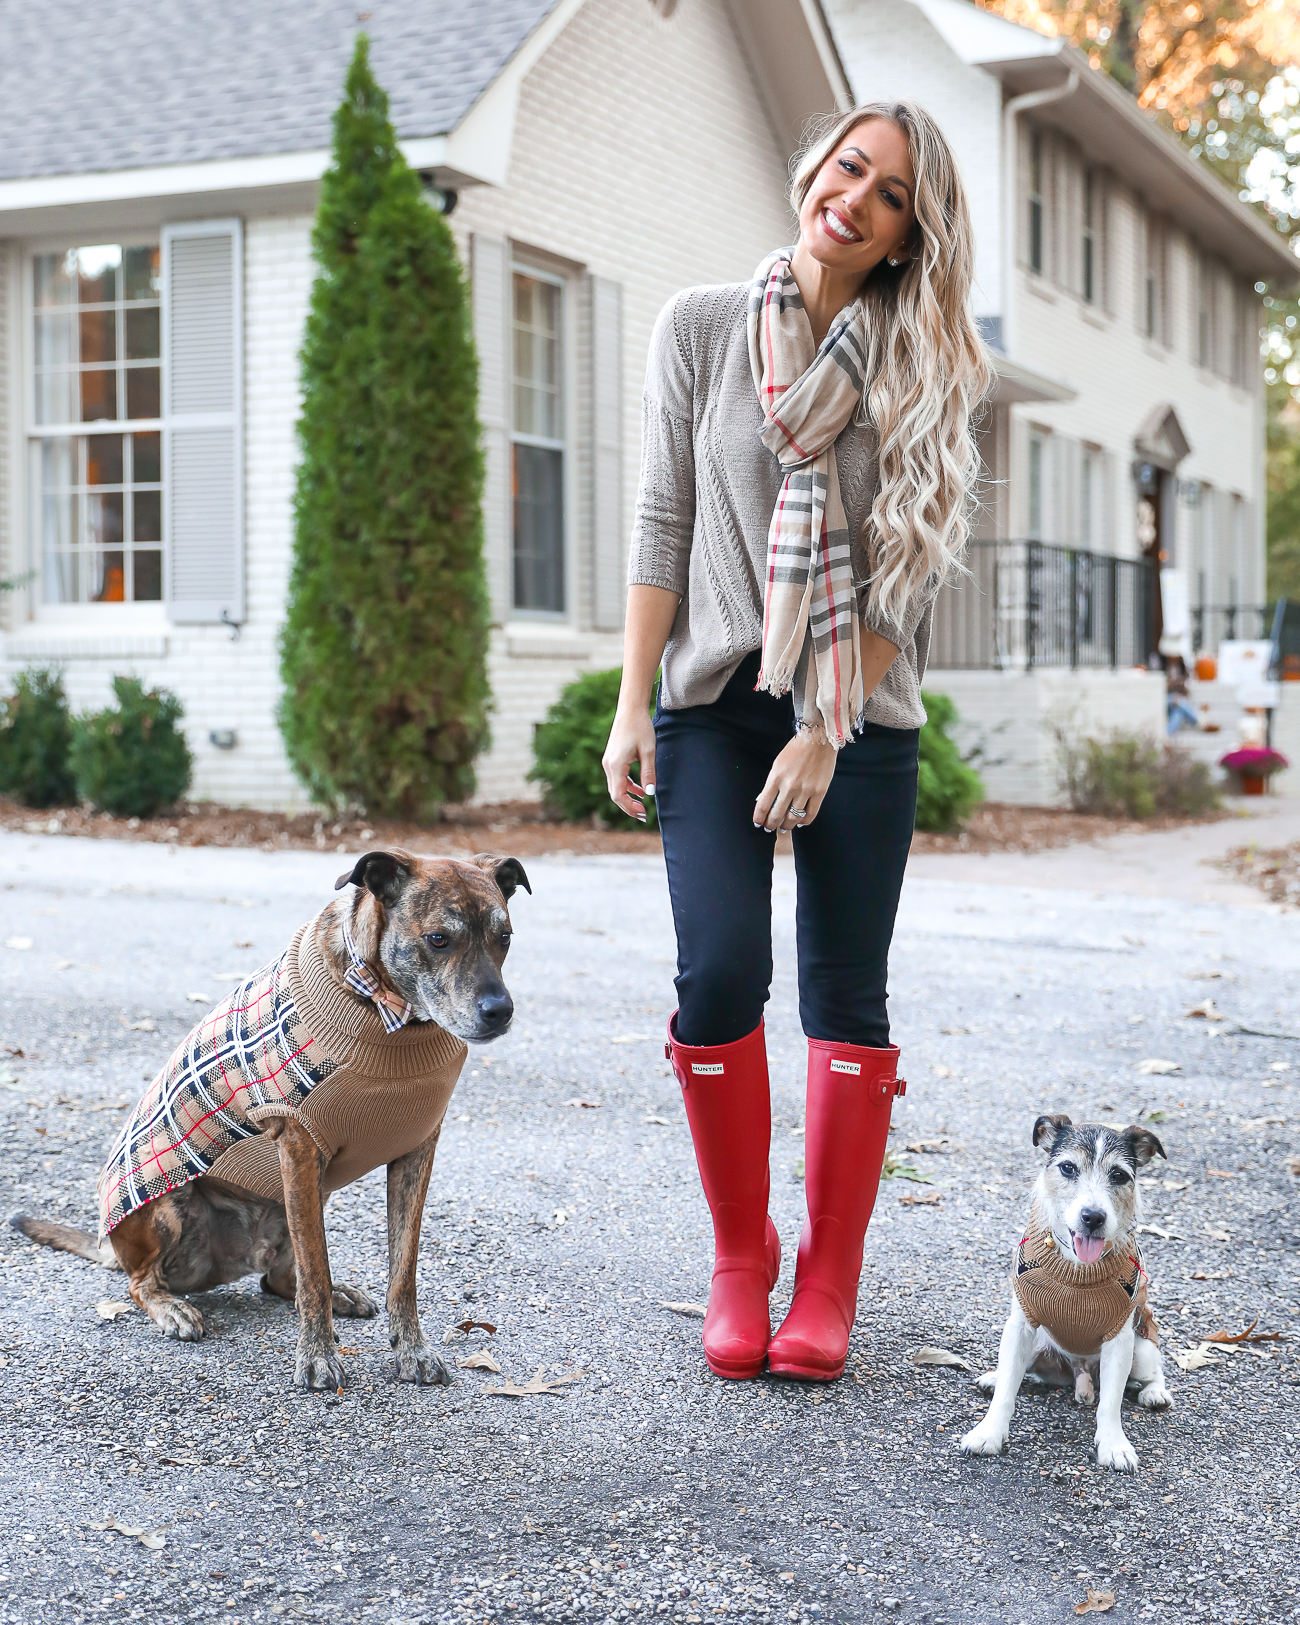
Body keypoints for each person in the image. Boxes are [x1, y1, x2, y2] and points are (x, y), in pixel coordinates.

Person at [602, 101, 993, 1383]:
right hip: (715, 701)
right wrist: (627, 701)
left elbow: (911, 565)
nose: (856, 199)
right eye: (849, 169)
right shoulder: (700, 326)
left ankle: (827, 1276)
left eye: (889, 196)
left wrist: (825, 726)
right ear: (813, 171)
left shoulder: (926, 363)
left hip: (858, 715)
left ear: (904, 236)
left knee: (845, 996)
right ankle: (739, 1255)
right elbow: (661, 517)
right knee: (717, 973)